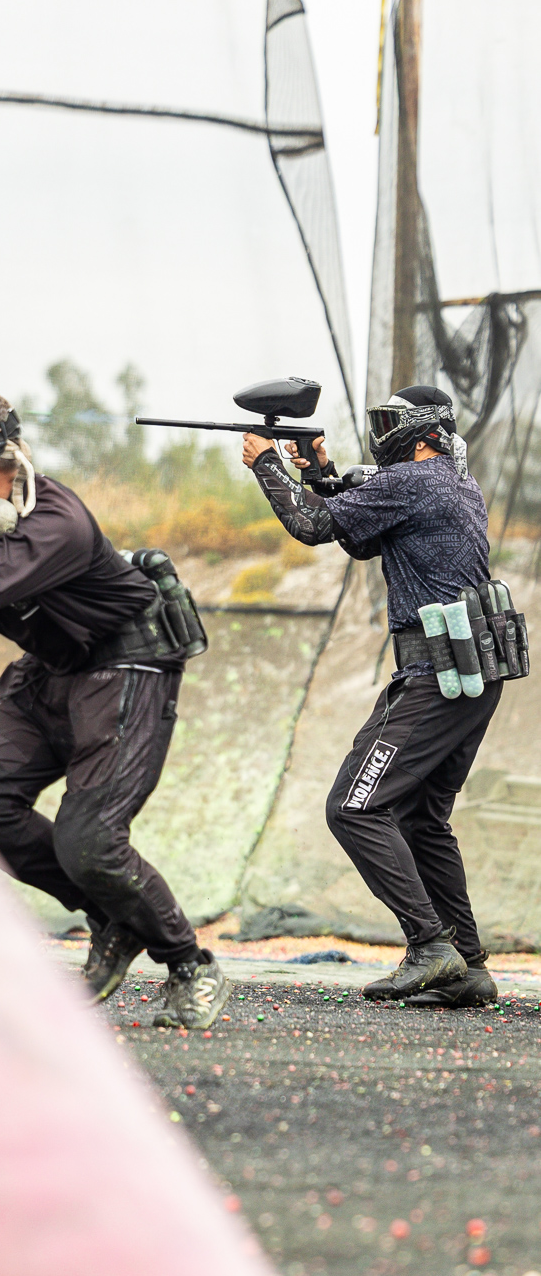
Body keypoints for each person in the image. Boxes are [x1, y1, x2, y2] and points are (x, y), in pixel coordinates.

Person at [0, 387, 230, 1029]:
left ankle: (188, 963)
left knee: (90, 841)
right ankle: (112, 918)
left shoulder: (57, 520)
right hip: (52, 666)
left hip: (126, 666)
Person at [243, 385, 502, 1008]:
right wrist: (320, 470)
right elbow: (358, 536)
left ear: (423, 435)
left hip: (437, 674)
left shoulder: (413, 482)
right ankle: (467, 967)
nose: (380, 432)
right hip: (467, 674)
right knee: (421, 819)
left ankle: (430, 946)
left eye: (390, 422)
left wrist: (267, 464)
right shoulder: (450, 482)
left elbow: (312, 525)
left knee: (354, 808)